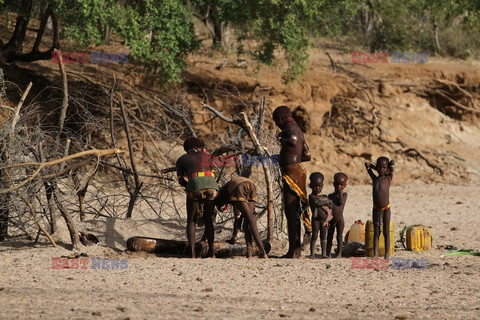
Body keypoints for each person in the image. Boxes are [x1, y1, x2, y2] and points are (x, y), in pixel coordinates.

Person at [273, 105, 312, 259]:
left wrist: (281, 139)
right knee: (296, 210)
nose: (277, 125)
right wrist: (293, 157)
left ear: (282, 119)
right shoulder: (299, 130)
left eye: (277, 122)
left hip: (291, 173)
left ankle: (293, 251)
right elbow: (307, 154)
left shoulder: (290, 128)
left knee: (291, 212)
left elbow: (293, 141)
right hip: (297, 170)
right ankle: (296, 250)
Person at [176, 137, 219, 258]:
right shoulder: (208, 156)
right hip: (211, 186)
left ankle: (193, 254)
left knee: (191, 220)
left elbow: (181, 181)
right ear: (200, 147)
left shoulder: (181, 159)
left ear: (186, 149)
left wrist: (189, 186)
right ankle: (212, 252)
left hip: (194, 186)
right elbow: (213, 174)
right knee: (208, 220)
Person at [215, 176, 268, 258]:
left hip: (239, 187)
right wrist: (234, 237)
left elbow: (237, 217)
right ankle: (249, 252)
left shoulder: (224, 194)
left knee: (250, 219)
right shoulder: (229, 193)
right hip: (252, 185)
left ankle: (262, 251)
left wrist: (234, 238)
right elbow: (238, 218)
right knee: (247, 222)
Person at [365, 156, 395, 258]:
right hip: (376, 209)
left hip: (386, 209)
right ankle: (376, 253)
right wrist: (374, 167)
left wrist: (391, 165)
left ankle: (387, 254)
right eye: (380, 167)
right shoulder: (375, 178)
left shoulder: (388, 179)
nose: (381, 169)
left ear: (387, 169)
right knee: (376, 232)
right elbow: (366, 164)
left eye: (384, 168)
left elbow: (392, 167)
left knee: (386, 232)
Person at [308, 172, 333, 259]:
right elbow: (317, 203)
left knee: (323, 236)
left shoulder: (324, 196)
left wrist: (328, 220)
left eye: (320, 186)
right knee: (314, 235)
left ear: (322, 185)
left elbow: (331, 206)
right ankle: (312, 254)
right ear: (310, 185)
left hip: (324, 220)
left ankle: (324, 253)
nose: (318, 188)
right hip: (316, 219)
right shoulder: (311, 196)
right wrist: (326, 202)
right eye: (315, 186)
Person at [326, 172, 348, 258]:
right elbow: (329, 209)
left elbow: (341, 202)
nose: (339, 187)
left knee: (339, 237)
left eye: (341, 185)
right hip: (331, 218)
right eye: (337, 184)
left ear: (345, 185)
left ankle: (339, 253)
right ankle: (328, 253)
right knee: (329, 236)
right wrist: (327, 220)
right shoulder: (330, 196)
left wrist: (340, 192)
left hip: (340, 220)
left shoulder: (344, 195)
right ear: (333, 184)